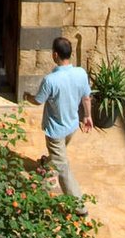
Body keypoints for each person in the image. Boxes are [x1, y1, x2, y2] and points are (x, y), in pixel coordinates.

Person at [33, 36, 93, 216]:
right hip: (72, 125)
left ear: (55, 55)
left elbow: (38, 101)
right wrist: (88, 116)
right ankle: (47, 161)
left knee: (64, 168)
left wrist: (27, 96)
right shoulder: (81, 73)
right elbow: (86, 97)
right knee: (59, 155)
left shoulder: (50, 80)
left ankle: (79, 206)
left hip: (55, 130)